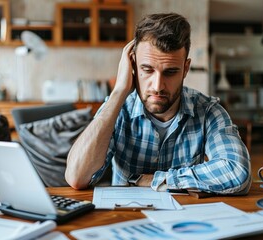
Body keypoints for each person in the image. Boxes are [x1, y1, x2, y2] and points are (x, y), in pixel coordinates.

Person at [65, 12, 251, 195]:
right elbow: (77, 177)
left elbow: (237, 171)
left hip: (186, 218)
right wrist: (118, 92)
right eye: (147, 70)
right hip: (125, 216)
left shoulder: (209, 111)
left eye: (170, 72)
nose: (157, 86)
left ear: (185, 69)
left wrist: (158, 179)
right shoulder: (119, 110)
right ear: (132, 65)